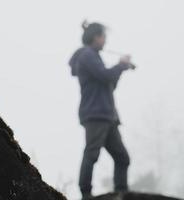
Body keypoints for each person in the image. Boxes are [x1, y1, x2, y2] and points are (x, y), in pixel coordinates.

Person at [69, 21, 135, 199]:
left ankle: (121, 193)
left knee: (122, 158)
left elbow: (108, 84)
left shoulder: (93, 56)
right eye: (103, 36)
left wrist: (120, 69)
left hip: (107, 116)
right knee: (92, 153)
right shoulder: (87, 55)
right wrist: (121, 65)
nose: (105, 40)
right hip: (96, 114)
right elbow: (105, 75)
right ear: (95, 37)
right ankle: (86, 194)